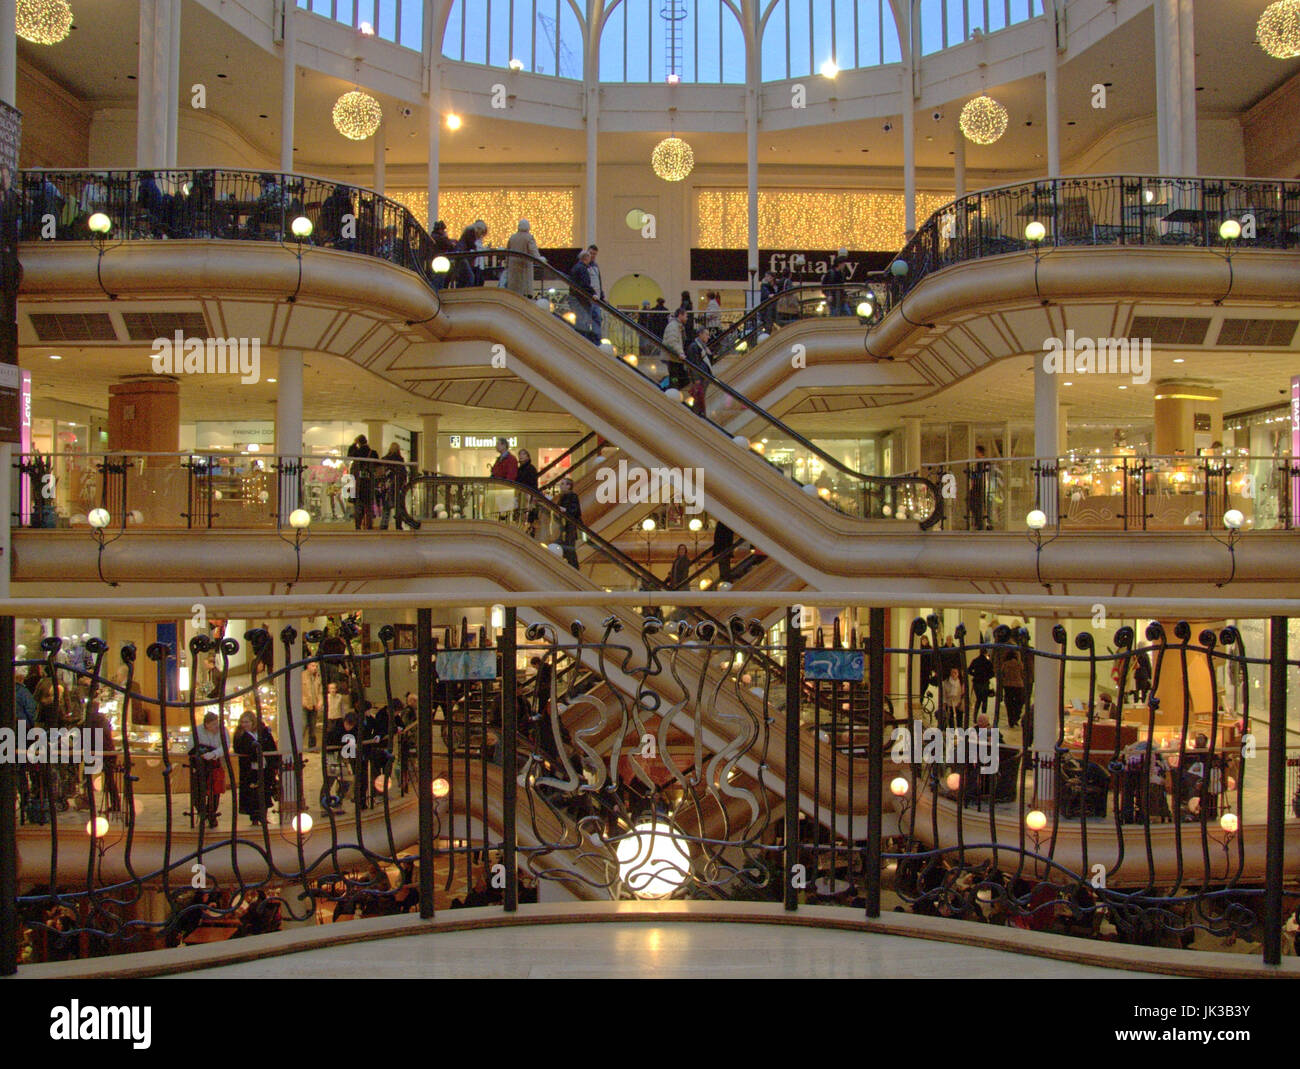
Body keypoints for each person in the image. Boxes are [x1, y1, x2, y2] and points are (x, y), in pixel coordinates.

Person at [233, 711, 279, 825]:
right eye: (243, 722)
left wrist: (274, 764)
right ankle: (254, 818)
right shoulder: (240, 735)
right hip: (249, 769)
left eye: (247, 722)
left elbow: (271, 747)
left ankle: (263, 816)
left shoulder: (263, 732)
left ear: (253, 722)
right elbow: (238, 748)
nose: (245, 724)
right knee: (252, 793)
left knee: (265, 791)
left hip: (265, 767)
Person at [192, 711, 229, 827]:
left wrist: (214, 754)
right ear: (206, 724)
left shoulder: (223, 731)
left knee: (215, 791)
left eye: (216, 723)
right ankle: (203, 812)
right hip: (200, 766)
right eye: (213, 724)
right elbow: (191, 747)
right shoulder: (198, 731)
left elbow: (225, 746)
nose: (215, 726)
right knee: (197, 791)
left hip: (215, 765)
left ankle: (211, 814)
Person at [347, 434, 379, 530]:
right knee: (369, 505)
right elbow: (377, 466)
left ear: (359, 442)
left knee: (358, 505)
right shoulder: (373, 453)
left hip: (358, 483)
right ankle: (369, 525)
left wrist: (353, 444)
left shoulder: (357, 452)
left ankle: (358, 525)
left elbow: (349, 456)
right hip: (369, 482)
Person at [378, 441, 411, 530]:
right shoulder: (400, 460)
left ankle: (384, 524)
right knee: (398, 505)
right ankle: (398, 524)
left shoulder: (385, 459)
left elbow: (381, 472)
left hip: (387, 485)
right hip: (397, 485)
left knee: (386, 506)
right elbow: (403, 473)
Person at [568, 249, 599, 343]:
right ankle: (582, 342)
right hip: (581, 299)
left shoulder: (576, 267)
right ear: (586, 258)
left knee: (580, 321)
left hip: (575, 298)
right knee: (583, 322)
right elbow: (585, 284)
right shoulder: (582, 268)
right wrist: (593, 293)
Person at [504, 219, 541, 296]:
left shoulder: (512, 237)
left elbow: (507, 253)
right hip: (525, 268)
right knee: (525, 291)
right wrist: (540, 260)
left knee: (514, 292)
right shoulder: (529, 238)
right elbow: (534, 251)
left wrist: (506, 264)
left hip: (513, 268)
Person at [685, 325, 713, 417]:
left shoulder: (703, 347)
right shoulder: (695, 347)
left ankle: (699, 414)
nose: (708, 337)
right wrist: (696, 378)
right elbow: (694, 364)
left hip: (704, 376)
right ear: (700, 334)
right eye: (706, 334)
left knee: (701, 398)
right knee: (698, 398)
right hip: (700, 377)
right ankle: (696, 415)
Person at [556, 476, 582, 569]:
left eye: (563, 484)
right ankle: (571, 566)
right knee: (567, 546)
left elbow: (575, 511)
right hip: (565, 525)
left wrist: (564, 509)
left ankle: (574, 567)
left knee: (569, 547)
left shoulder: (572, 496)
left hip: (570, 525)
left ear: (569, 486)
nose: (560, 486)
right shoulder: (563, 496)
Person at [661, 306, 689, 389]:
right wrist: (680, 352)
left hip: (675, 357)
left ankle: (672, 390)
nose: (687, 318)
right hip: (672, 357)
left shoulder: (677, 326)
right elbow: (672, 341)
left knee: (678, 378)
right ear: (680, 315)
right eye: (686, 316)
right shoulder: (673, 326)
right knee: (674, 378)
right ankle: (670, 391)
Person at [319, 183, 354, 249]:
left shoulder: (347, 204)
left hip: (341, 227)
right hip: (332, 226)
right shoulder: (330, 201)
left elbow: (350, 216)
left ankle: (344, 242)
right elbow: (325, 216)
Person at [1000, 650, 1026, 730]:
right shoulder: (1019, 664)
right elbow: (1023, 674)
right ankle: (1016, 717)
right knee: (1019, 702)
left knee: (1009, 703)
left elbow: (1002, 674)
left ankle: (1010, 719)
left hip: (1007, 685)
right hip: (1018, 685)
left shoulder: (1005, 664)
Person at [516, 448, 540, 536]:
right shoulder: (520, 469)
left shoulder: (530, 469)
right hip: (522, 495)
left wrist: (533, 499)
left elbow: (533, 485)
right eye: (520, 454)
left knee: (528, 517)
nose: (521, 456)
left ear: (527, 456)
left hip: (528, 496)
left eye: (523, 454)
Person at [301, 661, 323, 749]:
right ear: (308, 665)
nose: (315, 668)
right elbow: (300, 691)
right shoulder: (302, 676)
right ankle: (298, 745)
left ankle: (312, 746)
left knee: (313, 727)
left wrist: (320, 702)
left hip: (314, 705)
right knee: (303, 724)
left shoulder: (318, 676)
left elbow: (320, 691)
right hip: (305, 705)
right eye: (313, 665)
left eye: (316, 666)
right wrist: (304, 703)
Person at [967, 648, 994, 720]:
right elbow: (992, 673)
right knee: (984, 700)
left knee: (978, 700)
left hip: (976, 682)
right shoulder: (988, 662)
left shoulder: (975, 660)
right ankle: (983, 717)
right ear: (985, 653)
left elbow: (969, 670)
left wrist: (975, 674)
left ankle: (975, 717)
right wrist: (986, 676)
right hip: (985, 682)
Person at [968, 444, 991, 530]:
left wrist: (974, 477)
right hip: (979, 488)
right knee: (975, 504)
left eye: (976, 452)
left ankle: (981, 523)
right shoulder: (980, 464)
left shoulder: (983, 464)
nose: (975, 454)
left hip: (980, 488)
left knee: (977, 504)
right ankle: (980, 522)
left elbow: (980, 476)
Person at [585, 245, 605, 339]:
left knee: (597, 319)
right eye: (591, 253)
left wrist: (601, 295)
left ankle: (596, 340)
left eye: (594, 254)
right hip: (589, 297)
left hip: (596, 298)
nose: (592, 256)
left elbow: (598, 281)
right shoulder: (584, 266)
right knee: (589, 319)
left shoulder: (595, 266)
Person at [941, 667, 965, 731]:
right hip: (950, 703)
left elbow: (963, 694)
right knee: (951, 719)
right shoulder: (946, 682)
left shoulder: (961, 682)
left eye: (955, 673)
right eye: (952, 672)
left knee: (959, 719)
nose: (954, 674)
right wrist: (944, 703)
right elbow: (944, 694)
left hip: (959, 703)